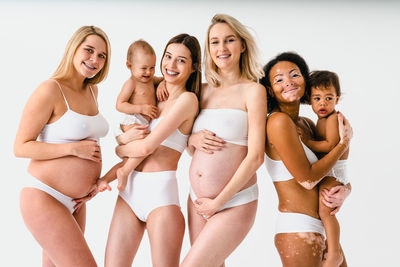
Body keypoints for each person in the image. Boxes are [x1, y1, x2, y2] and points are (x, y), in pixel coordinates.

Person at [13, 25, 111, 266]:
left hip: (77, 203)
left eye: (102, 56)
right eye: (89, 50)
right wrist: (72, 149)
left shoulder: (92, 90)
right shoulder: (50, 89)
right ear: (73, 48)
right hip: (45, 196)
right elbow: (21, 147)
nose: (94, 59)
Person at [104, 33, 201, 267]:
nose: (170, 64)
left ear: (194, 67)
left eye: (181, 60)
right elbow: (124, 142)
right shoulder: (152, 92)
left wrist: (121, 146)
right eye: (168, 56)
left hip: (160, 196)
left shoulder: (188, 100)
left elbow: (147, 146)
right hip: (129, 191)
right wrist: (121, 145)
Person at [179, 14, 267, 266]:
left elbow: (256, 157)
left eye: (229, 40)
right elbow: (186, 146)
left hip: (234, 201)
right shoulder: (202, 90)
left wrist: (218, 202)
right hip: (196, 199)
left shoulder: (253, 91)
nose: (221, 48)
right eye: (214, 42)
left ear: (242, 45)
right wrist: (193, 139)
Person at [260, 52, 352, 267]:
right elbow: (308, 179)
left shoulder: (306, 124)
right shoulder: (277, 122)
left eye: (294, 75)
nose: (289, 82)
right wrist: (343, 144)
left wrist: (345, 190)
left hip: (322, 226)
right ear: (270, 91)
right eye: (279, 79)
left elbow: (328, 170)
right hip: (298, 227)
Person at [298, 70, 349, 266]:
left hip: (334, 172)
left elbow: (330, 145)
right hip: (329, 170)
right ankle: (333, 247)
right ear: (309, 99)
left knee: (326, 211)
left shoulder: (333, 119)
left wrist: (308, 142)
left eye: (329, 98)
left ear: (337, 98)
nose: (322, 103)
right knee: (323, 210)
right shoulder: (319, 120)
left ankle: (334, 250)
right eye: (317, 98)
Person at [97, 39, 160, 192]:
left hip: (142, 120)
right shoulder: (131, 83)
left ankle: (106, 179)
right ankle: (124, 172)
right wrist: (141, 108)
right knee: (146, 145)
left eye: (152, 68)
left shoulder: (152, 79)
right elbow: (120, 104)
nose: (148, 72)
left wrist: (163, 84)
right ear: (129, 66)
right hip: (132, 119)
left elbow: (166, 80)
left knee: (131, 160)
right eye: (144, 68)